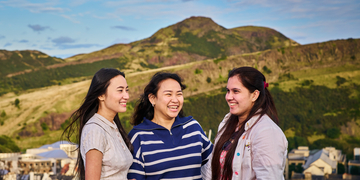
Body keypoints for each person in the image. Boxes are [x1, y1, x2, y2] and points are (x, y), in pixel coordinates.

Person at [203, 66, 288, 180]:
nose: (228, 97)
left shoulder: (266, 132)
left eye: (236, 91)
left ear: (254, 95)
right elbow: (210, 171)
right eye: (228, 91)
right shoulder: (226, 124)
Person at [127, 72, 213, 180]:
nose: (175, 100)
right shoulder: (138, 136)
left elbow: (215, 166)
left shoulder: (193, 127)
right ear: (152, 98)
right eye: (168, 94)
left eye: (179, 94)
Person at [62, 68, 133, 180]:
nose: (126, 96)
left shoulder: (112, 126)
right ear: (101, 95)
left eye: (126, 90)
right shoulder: (95, 130)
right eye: (120, 90)